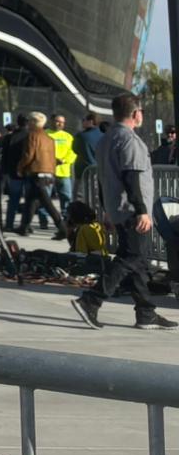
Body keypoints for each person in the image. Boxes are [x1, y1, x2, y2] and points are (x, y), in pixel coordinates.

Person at [71, 94, 177, 330]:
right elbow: (132, 177)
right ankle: (91, 300)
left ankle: (146, 313)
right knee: (129, 258)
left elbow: (102, 179)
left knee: (137, 262)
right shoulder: (130, 141)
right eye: (141, 111)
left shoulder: (106, 140)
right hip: (131, 210)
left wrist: (106, 209)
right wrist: (142, 211)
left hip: (117, 208)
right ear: (136, 113)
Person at [15, 112, 68, 239]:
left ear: (33, 123)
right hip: (48, 173)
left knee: (47, 204)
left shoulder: (32, 136)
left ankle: (63, 229)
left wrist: (20, 168)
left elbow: (28, 155)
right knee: (31, 201)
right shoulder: (48, 138)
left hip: (36, 172)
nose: (28, 124)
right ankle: (24, 226)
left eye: (30, 121)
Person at [0, 115, 46, 232]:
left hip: (14, 173)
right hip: (30, 172)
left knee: (13, 200)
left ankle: (9, 224)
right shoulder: (32, 136)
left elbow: (4, 155)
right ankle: (26, 224)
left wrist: (4, 171)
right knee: (29, 200)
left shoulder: (10, 137)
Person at [49, 114, 78, 208]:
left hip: (64, 172)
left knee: (66, 197)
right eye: (57, 121)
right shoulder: (45, 134)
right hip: (48, 172)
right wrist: (53, 159)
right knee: (45, 198)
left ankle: (65, 219)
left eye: (62, 122)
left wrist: (64, 160)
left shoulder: (68, 137)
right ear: (52, 121)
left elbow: (73, 152)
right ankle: (43, 221)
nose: (59, 124)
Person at [74, 113, 103, 189]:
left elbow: (75, 150)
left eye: (84, 120)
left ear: (90, 121)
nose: (82, 122)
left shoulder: (80, 136)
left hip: (83, 171)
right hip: (100, 172)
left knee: (80, 195)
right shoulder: (104, 135)